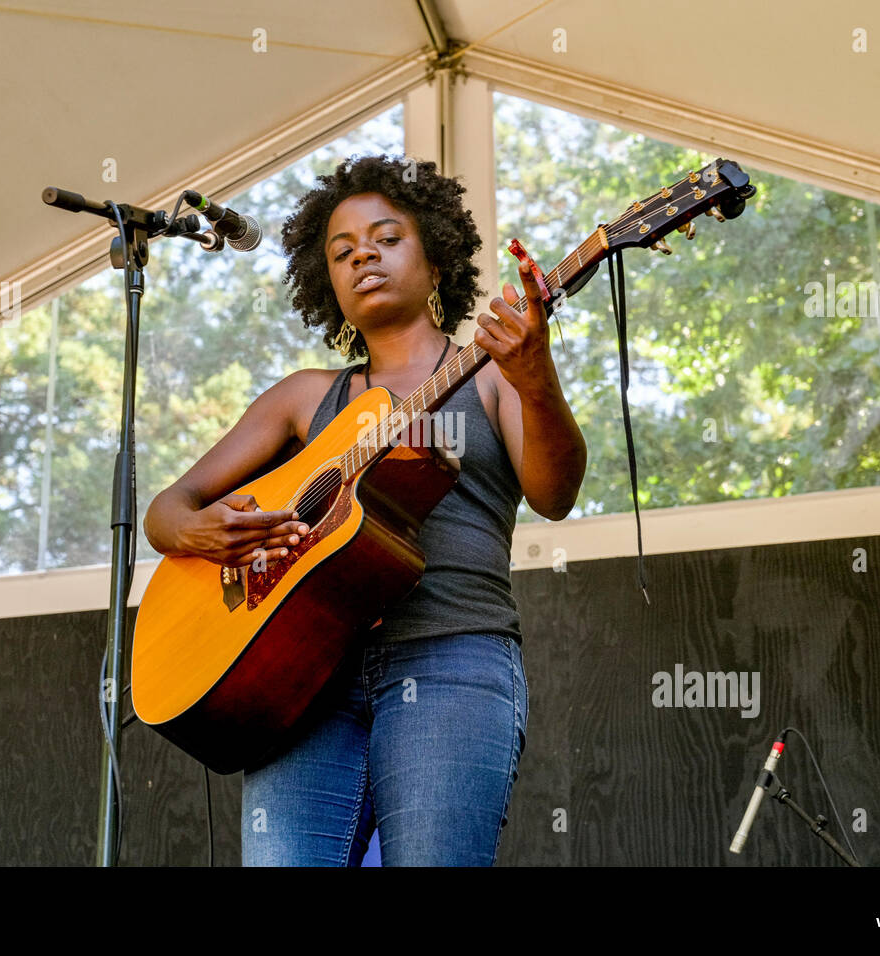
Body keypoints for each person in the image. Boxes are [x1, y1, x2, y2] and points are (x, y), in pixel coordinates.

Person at [142, 154, 586, 865]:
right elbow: (168, 508)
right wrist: (200, 529)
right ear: (329, 288)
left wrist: (537, 379)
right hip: (303, 674)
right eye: (342, 253)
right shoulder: (302, 398)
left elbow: (554, 495)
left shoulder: (497, 372)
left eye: (386, 239)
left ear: (436, 260)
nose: (363, 258)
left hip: (454, 654)